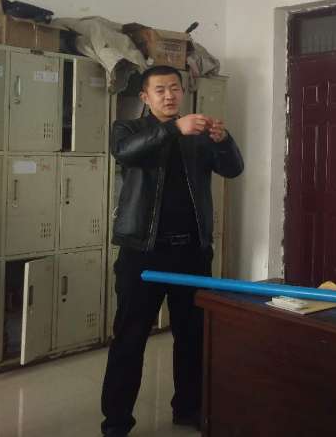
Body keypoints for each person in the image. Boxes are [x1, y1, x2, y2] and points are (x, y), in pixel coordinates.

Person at [101, 65, 244, 437]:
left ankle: (189, 408)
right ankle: (116, 421)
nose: (169, 96)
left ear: (183, 92)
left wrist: (223, 141)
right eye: (160, 90)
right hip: (142, 252)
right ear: (145, 97)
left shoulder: (197, 134)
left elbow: (233, 169)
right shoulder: (128, 129)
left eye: (175, 89)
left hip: (191, 253)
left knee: (193, 335)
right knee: (130, 338)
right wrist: (172, 129)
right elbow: (125, 152)